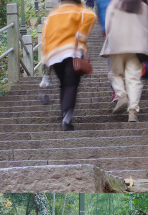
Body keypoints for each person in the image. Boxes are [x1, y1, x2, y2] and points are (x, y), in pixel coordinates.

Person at [42, 0, 97, 131]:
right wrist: (81, 36)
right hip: (72, 52)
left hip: (54, 55)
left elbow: (44, 38)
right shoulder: (79, 10)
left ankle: (64, 113)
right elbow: (92, 15)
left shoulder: (52, 15)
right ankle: (66, 118)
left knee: (63, 83)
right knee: (71, 84)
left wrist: (45, 61)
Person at [100, 0, 148, 122]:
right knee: (133, 79)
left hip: (116, 45)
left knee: (115, 74)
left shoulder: (115, 4)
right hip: (137, 47)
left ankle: (121, 96)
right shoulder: (143, 6)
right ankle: (133, 111)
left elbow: (108, 25)